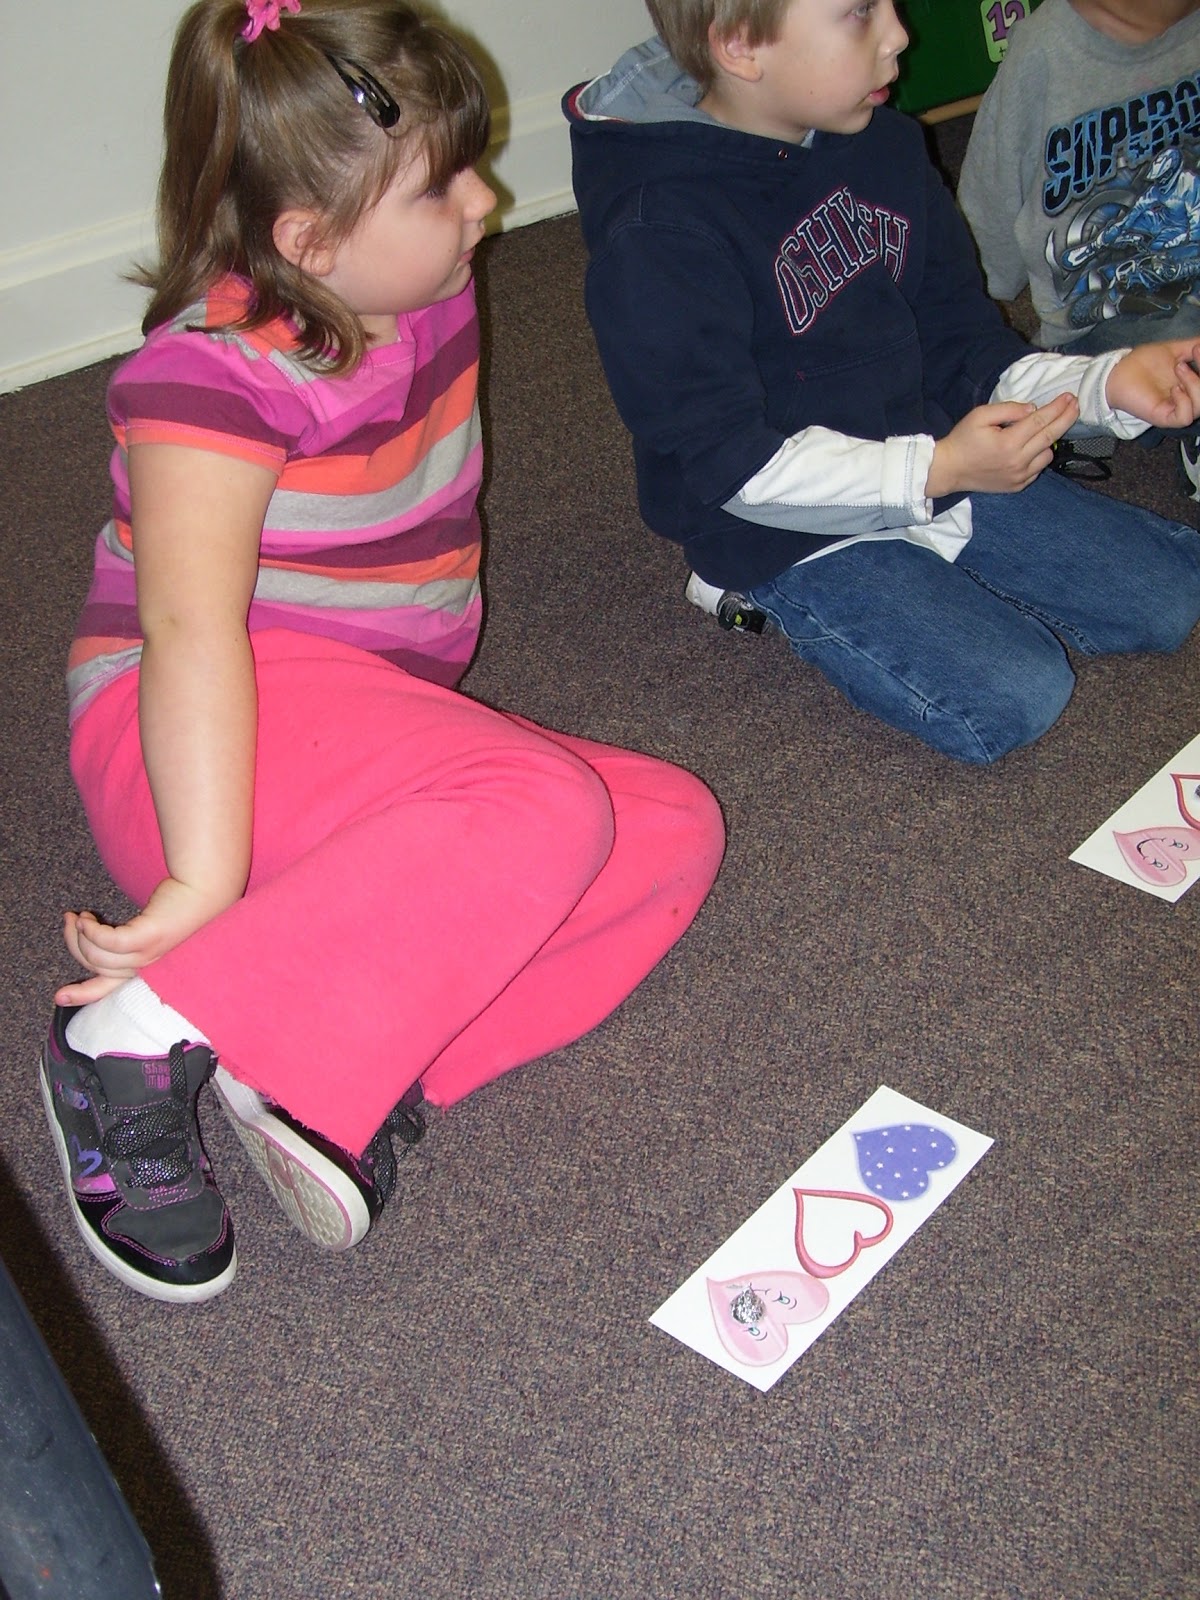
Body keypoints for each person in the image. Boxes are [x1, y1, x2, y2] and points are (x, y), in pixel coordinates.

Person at [43, 0, 725, 1305]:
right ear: (308, 244)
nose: (486, 198)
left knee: (668, 833)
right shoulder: (213, 381)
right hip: (189, 734)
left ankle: (333, 1071)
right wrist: (198, 879)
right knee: (540, 806)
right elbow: (188, 636)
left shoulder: (419, 282)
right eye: (443, 183)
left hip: (357, 744)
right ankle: (129, 1042)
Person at [563, 0, 1200, 764]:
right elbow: (730, 464)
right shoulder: (656, 230)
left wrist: (1106, 384)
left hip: (929, 450)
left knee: (1169, 598)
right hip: (776, 525)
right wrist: (942, 469)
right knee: (1018, 697)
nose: (900, 36)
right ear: (740, 46)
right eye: (859, 13)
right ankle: (750, 592)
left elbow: (966, 342)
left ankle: (925, 548)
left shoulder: (885, 144)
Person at [958, 0, 1200, 492]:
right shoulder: (1042, 49)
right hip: (1107, 311)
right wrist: (977, 289)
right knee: (1179, 339)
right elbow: (991, 188)